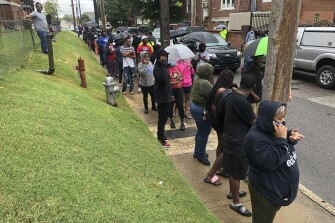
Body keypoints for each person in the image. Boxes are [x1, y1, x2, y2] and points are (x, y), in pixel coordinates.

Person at [245, 101, 304, 223]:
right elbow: (270, 162)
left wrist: (290, 137)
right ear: (268, 119)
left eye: (284, 117)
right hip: (265, 192)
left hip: (277, 189)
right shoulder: (254, 138)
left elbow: (280, 144)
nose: (283, 122)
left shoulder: (273, 129)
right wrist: (282, 139)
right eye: (280, 118)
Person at [222, 73, 257, 217]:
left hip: (229, 136)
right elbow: (254, 123)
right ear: (254, 86)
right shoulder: (244, 103)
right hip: (237, 141)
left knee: (232, 169)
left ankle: (232, 192)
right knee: (236, 172)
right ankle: (235, 203)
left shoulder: (232, 96)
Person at [204, 69, 237, 185]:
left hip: (216, 121)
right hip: (223, 124)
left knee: (221, 145)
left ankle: (218, 169)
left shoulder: (216, 88)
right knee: (227, 150)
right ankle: (210, 174)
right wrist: (234, 92)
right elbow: (229, 105)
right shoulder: (225, 92)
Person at [190, 64, 214, 166]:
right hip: (201, 110)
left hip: (195, 107)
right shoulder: (205, 83)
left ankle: (197, 152)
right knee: (204, 133)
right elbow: (213, 94)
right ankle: (201, 155)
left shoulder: (198, 79)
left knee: (200, 131)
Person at [153, 49, 173, 148]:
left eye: (166, 56)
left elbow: (168, 83)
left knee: (165, 118)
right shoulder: (157, 68)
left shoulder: (164, 67)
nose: (165, 58)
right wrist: (164, 65)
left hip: (167, 96)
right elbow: (163, 79)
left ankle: (162, 135)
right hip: (162, 98)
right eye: (163, 56)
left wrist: (171, 95)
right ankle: (160, 138)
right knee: (162, 119)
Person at [168, 62, 185, 130]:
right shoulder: (166, 69)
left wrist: (180, 79)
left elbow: (182, 76)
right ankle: (171, 121)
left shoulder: (177, 67)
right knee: (170, 106)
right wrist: (173, 83)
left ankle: (182, 122)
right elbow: (166, 81)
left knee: (180, 106)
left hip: (179, 89)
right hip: (171, 90)